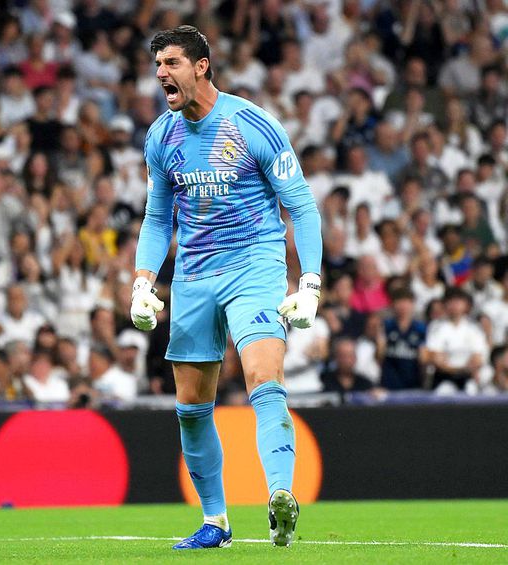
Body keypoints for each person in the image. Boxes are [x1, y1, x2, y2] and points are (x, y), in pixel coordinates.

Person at [131, 26, 322, 550]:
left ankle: (280, 495)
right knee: (191, 404)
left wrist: (309, 282)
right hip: (192, 276)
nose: (161, 73)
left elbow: (301, 206)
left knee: (264, 375)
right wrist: (143, 282)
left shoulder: (251, 124)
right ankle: (215, 521)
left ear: (202, 66)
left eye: (172, 62)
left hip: (254, 266)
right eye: (158, 64)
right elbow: (157, 217)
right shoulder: (160, 137)